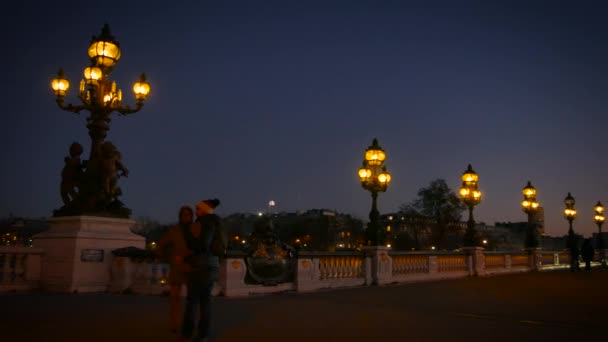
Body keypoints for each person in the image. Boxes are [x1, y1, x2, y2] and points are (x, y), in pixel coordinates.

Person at [179, 198, 227, 342]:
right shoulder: (219, 222)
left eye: (198, 208)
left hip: (201, 267)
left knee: (191, 302)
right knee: (205, 301)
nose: (196, 211)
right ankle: (203, 335)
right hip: (213, 265)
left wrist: (187, 230)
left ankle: (187, 334)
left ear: (205, 210)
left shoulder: (206, 222)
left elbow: (202, 245)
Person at [155, 205, 194, 333]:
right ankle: (174, 324)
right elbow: (160, 245)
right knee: (175, 299)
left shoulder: (196, 230)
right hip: (177, 268)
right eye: (184, 214)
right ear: (180, 216)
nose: (187, 217)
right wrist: (170, 258)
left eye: (189, 214)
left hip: (192, 267)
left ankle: (189, 324)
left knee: (192, 300)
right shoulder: (174, 230)